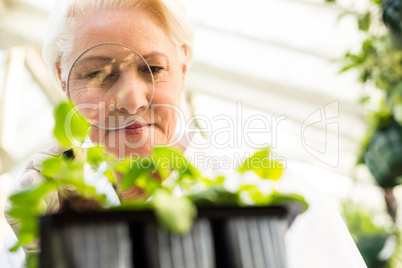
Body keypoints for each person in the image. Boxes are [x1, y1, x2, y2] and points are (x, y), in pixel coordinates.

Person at [1, 0, 367, 267]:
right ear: (63, 81)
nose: (131, 100)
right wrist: (48, 250)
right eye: (98, 73)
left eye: (154, 68)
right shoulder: (32, 222)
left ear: (184, 64)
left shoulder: (275, 196)